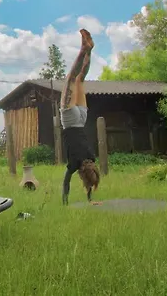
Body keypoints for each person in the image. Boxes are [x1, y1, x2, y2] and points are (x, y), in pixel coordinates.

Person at [60, 29, 100, 206]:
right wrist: (65, 203)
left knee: (79, 80)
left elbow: (91, 178)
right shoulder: (74, 164)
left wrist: (90, 199)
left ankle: (89, 51)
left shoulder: (92, 158)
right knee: (71, 78)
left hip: (81, 118)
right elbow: (66, 183)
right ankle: (83, 49)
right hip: (70, 121)